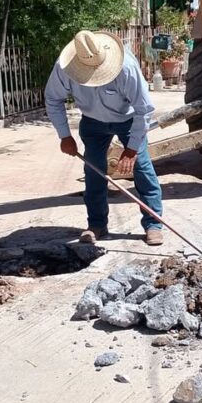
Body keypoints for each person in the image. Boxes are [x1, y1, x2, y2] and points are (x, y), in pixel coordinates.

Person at [44, 30, 164, 246]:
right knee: (93, 171)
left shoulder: (125, 67)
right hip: (92, 121)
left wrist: (132, 150)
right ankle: (97, 224)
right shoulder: (65, 67)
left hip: (128, 120)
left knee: (142, 168)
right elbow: (53, 99)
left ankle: (153, 224)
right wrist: (64, 136)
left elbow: (144, 109)